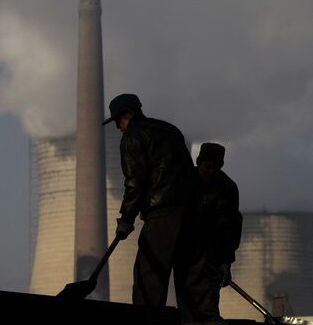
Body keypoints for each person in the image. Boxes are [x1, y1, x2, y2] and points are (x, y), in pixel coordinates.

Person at [102, 93, 219, 324]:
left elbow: (135, 181)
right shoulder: (171, 130)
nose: (118, 128)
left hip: (162, 217)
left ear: (128, 114)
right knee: (193, 282)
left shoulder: (133, 137)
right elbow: (189, 173)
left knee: (150, 280)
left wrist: (126, 218)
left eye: (118, 121)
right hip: (190, 215)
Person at [195, 143, 242, 312]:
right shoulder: (186, 181)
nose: (211, 172)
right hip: (187, 255)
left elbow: (230, 227)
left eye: (216, 168)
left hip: (212, 258)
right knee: (187, 306)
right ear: (198, 161)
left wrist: (225, 262)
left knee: (208, 307)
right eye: (208, 167)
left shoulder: (227, 188)